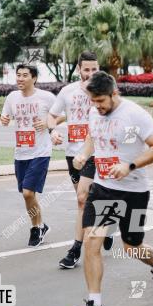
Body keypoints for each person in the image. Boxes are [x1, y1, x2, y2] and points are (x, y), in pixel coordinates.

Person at [70, 71, 153, 306]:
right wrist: (84, 154)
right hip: (104, 188)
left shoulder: (134, 114)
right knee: (92, 241)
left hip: (134, 191)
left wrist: (130, 166)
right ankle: (95, 303)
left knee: (132, 247)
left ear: (115, 93)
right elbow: (93, 136)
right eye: (93, 101)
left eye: (101, 101)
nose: (97, 107)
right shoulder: (95, 112)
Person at [47, 51, 113, 269]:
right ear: (79, 69)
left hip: (97, 152)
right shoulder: (67, 91)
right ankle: (104, 222)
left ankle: (75, 248)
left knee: (82, 198)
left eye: (95, 69)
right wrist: (53, 131)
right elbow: (52, 115)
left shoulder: (106, 91)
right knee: (84, 199)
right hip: (73, 154)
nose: (91, 73)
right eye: (87, 69)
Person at [0, 63, 56, 246]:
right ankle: (41, 225)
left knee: (27, 193)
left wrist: (48, 123)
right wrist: (4, 119)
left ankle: (35, 228)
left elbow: (60, 115)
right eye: (18, 75)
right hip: (21, 153)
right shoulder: (12, 97)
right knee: (29, 195)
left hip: (40, 152)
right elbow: (5, 117)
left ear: (34, 78)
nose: (20, 79)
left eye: (25, 75)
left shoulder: (46, 97)